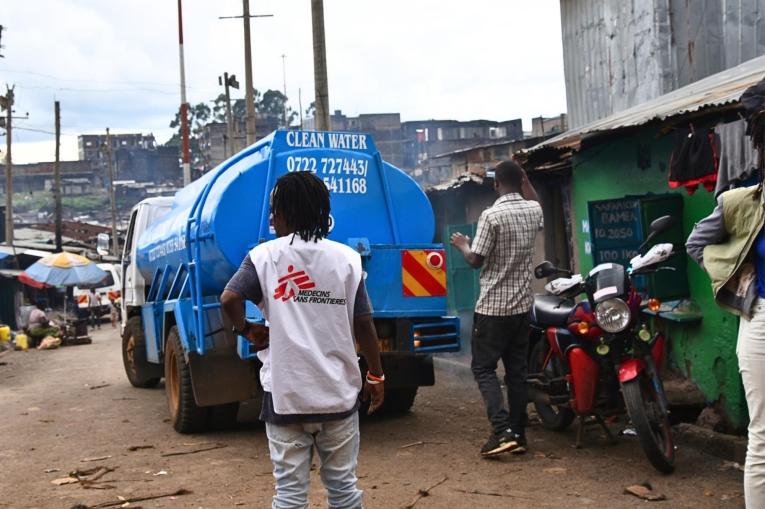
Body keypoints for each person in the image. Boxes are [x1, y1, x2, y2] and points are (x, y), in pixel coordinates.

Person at [220, 171, 384, 509]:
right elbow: (364, 323)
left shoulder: (264, 256)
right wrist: (376, 375)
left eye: (273, 210)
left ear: (283, 213)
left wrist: (246, 330)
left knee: (290, 495)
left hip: (286, 395)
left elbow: (229, 299)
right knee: (344, 490)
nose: (270, 218)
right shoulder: (347, 258)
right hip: (338, 395)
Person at [450, 160, 542, 457]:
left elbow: (475, 260)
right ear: (521, 180)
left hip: (492, 309)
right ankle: (518, 433)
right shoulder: (533, 210)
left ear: (496, 184)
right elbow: (536, 202)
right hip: (521, 308)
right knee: (517, 372)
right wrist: (526, 181)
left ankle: (501, 431)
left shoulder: (491, 216)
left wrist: (462, 244)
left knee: (484, 368)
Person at [686, 183, 765, 508]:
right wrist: (734, 280)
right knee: (763, 434)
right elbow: (697, 244)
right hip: (762, 319)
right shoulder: (742, 202)